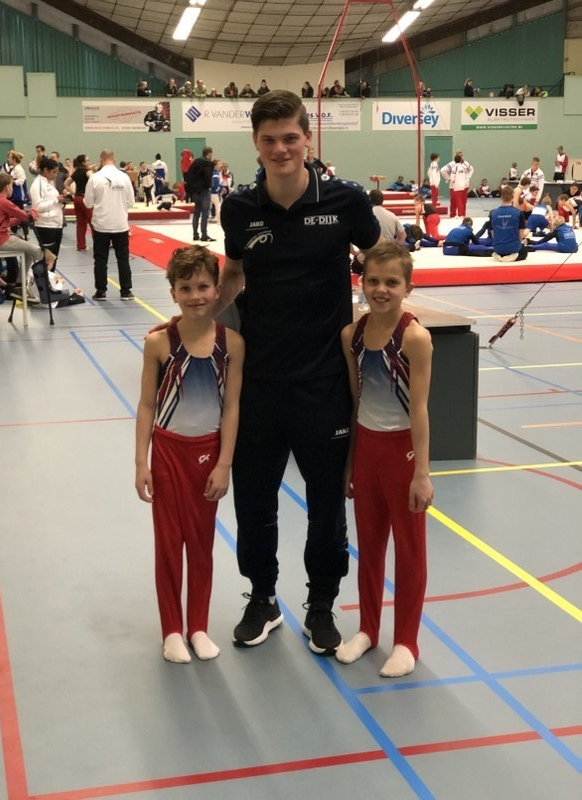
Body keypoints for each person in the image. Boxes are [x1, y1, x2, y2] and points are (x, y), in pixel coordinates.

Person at [217, 90, 382, 653]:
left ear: (307, 138)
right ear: (255, 143)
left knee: (327, 506)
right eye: (269, 140)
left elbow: (383, 260)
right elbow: (233, 275)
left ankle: (321, 605)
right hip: (259, 383)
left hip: (325, 383)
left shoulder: (345, 200)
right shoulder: (238, 208)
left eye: (290, 138)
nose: (281, 149)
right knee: (254, 502)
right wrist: (193, 324)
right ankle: (262, 598)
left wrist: (391, 319)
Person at [135, 245, 244, 663]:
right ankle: (171, 631)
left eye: (202, 287)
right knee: (169, 544)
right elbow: (147, 404)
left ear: (217, 290)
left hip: (206, 455)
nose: (195, 296)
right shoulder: (159, 342)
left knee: (200, 545)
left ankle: (197, 626)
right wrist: (141, 462)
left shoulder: (232, 344)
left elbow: (231, 407)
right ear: (173, 293)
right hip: (167, 453)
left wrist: (224, 463)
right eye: (186, 288)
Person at [335, 242, 433, 677]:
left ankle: (406, 641)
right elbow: (356, 403)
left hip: (402, 453)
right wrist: (351, 462)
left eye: (392, 282)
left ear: (407, 287)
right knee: (370, 547)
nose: (381, 289)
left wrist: (422, 473)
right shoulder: (351, 336)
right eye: (373, 280)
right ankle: (368, 629)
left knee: (409, 551)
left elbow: (420, 409)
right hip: (369, 451)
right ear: (361, 282)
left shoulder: (415, 338)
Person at [0, 172, 55, 297]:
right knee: (38, 251)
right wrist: (32, 212)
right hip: (1, 240)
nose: (12, 188)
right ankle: (45, 283)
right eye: (11, 185)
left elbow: (3, 222)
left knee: (28, 253)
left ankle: (20, 284)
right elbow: (25, 216)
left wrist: (20, 219)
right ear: (7, 187)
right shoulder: (2, 201)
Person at [83, 149, 135, 301]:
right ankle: (126, 291)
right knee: (123, 258)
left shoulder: (95, 178)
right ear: (114, 159)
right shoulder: (124, 177)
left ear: (100, 160)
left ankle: (101, 291)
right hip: (120, 224)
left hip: (101, 225)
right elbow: (131, 202)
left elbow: (88, 203)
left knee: (100, 259)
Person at [28, 156, 65, 269]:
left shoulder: (49, 183)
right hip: (45, 225)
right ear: (45, 170)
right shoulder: (37, 184)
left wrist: (62, 201)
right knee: (48, 259)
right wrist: (56, 200)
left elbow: (52, 201)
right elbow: (37, 207)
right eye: (54, 172)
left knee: (53, 259)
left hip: (56, 224)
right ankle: (45, 279)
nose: (56, 175)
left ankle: (50, 278)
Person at [186, 146, 216, 242]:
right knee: (205, 214)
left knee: (196, 213)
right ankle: (204, 235)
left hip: (195, 191)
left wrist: (191, 191)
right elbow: (207, 177)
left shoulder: (195, 162)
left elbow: (188, 176)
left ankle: (195, 234)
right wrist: (208, 186)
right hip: (204, 191)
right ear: (209, 153)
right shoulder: (208, 163)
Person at [490, 185, 527, 262]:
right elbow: (520, 236)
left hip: (498, 248)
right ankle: (511, 256)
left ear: (501, 197)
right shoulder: (519, 213)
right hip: (513, 248)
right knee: (524, 252)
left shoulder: (493, 213)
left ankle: (499, 255)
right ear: (513, 197)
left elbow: (493, 235)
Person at [65, 154, 94, 251]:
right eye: (87, 160)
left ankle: (81, 245)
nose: (89, 162)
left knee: (80, 223)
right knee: (93, 222)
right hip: (86, 198)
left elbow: (66, 183)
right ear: (83, 162)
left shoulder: (76, 172)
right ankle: (98, 243)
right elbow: (93, 179)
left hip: (77, 198)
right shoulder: (88, 172)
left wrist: (73, 193)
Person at [441, 153, 473, 218]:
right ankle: (453, 215)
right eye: (459, 155)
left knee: (463, 201)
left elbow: (471, 169)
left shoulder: (466, 164)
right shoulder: (452, 164)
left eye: (461, 155)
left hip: (464, 186)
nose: (461, 156)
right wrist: (448, 179)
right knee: (454, 201)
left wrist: (469, 178)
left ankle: (462, 215)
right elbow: (442, 170)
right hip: (454, 186)